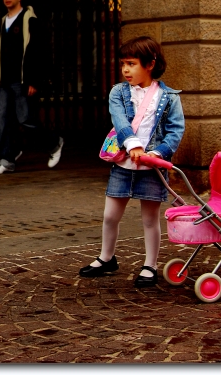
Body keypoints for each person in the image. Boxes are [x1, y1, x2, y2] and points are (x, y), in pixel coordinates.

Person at [78, 36, 185, 288]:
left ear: (150, 64)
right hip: (123, 165)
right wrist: (133, 145)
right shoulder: (118, 92)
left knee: (150, 219)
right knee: (110, 215)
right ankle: (106, 257)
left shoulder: (169, 97)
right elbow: (120, 121)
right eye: (123, 64)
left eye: (132, 63)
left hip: (152, 168)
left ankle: (150, 264)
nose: (126, 69)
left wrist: (158, 153)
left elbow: (175, 130)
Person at [0, 0, 64, 175]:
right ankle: (6, 160)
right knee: (2, 121)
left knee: (25, 119)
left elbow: (38, 51)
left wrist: (34, 80)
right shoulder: (1, 21)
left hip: (22, 79)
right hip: (4, 80)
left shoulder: (29, 19)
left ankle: (54, 143)